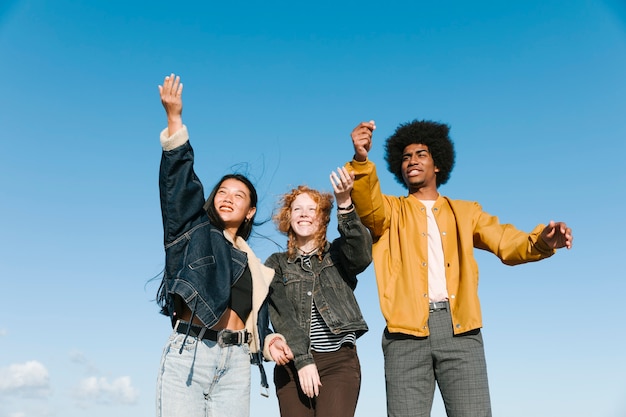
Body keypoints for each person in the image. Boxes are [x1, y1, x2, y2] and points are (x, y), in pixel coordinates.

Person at [346, 119, 574, 417]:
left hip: (461, 331)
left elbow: (506, 241)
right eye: (405, 157)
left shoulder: (467, 212)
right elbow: (368, 206)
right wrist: (362, 160)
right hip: (404, 335)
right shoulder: (390, 211)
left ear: (437, 164)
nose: (411, 161)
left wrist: (542, 241)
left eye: (420, 154)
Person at [154, 73, 290, 417]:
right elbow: (179, 187)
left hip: (237, 362)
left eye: (239, 195)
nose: (228, 199)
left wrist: (270, 341)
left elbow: (255, 320)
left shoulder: (256, 266)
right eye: (223, 192)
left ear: (250, 210)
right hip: (191, 354)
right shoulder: (194, 231)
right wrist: (174, 120)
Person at [262, 167, 373, 416]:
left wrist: (345, 203)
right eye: (297, 209)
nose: (304, 215)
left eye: (312, 209)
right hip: (292, 363)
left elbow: (362, 255)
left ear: (323, 218)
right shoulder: (276, 263)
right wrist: (303, 359)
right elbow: (282, 315)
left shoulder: (338, 254)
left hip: (338, 362)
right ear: (288, 217)